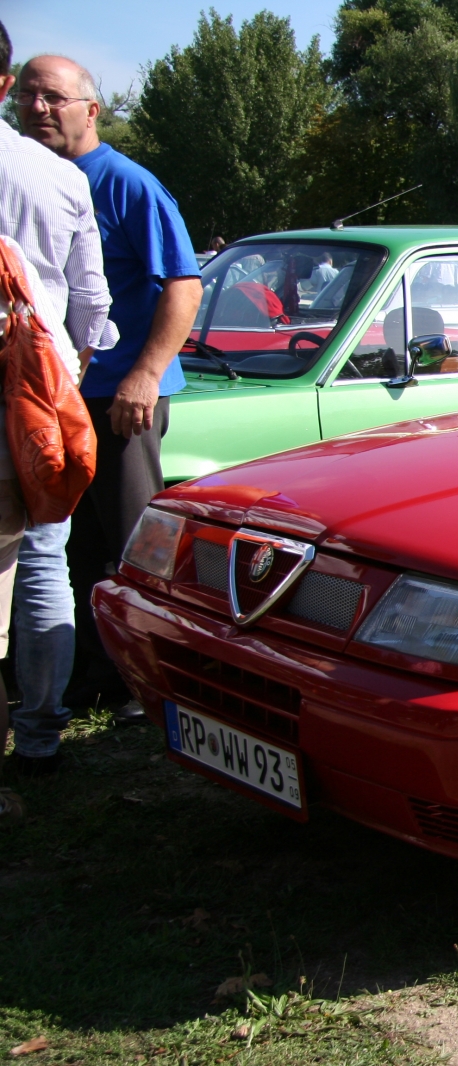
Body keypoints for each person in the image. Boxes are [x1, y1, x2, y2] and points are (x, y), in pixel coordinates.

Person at [18, 54, 202, 726]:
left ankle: (146, 685)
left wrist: (144, 375)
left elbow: (184, 285)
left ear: (90, 110)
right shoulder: (32, 181)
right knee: (70, 547)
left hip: (122, 399)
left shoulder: (126, 184)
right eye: (29, 97)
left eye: (55, 98)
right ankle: (92, 676)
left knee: (132, 547)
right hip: (53, 396)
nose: (39, 109)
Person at [0, 23, 118, 775]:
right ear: (6, 87)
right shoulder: (54, 176)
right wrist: (67, 367)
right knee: (44, 556)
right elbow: (91, 303)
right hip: (35, 394)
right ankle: (41, 730)